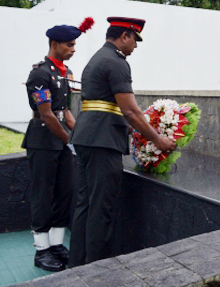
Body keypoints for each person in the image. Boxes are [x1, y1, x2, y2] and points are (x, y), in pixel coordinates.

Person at [69, 17, 176, 267]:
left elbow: (106, 106)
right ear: (125, 35)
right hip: (102, 143)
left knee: (85, 205)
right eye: (135, 40)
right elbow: (130, 110)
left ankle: (77, 267)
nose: (135, 46)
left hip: (88, 137)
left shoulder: (98, 58)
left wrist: (136, 130)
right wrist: (158, 139)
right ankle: (96, 272)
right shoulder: (116, 62)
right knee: (101, 209)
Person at [23, 18, 93, 271]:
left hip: (61, 142)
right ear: (55, 44)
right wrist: (69, 141)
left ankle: (56, 245)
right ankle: (41, 250)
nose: (73, 49)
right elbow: (47, 115)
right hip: (43, 141)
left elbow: (65, 112)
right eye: (69, 45)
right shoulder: (40, 73)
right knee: (44, 194)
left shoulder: (65, 73)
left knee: (64, 193)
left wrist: (78, 136)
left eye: (74, 45)